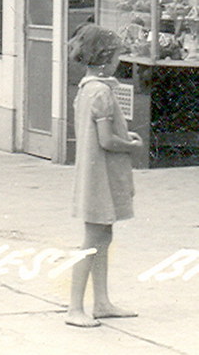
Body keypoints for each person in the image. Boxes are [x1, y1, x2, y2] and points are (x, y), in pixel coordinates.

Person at [66, 23, 143, 328]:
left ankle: (101, 302)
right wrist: (132, 144)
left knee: (102, 236)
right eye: (117, 56)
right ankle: (75, 308)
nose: (119, 62)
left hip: (92, 174)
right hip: (101, 177)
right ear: (107, 58)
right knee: (92, 240)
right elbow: (107, 141)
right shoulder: (103, 93)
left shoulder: (87, 88)